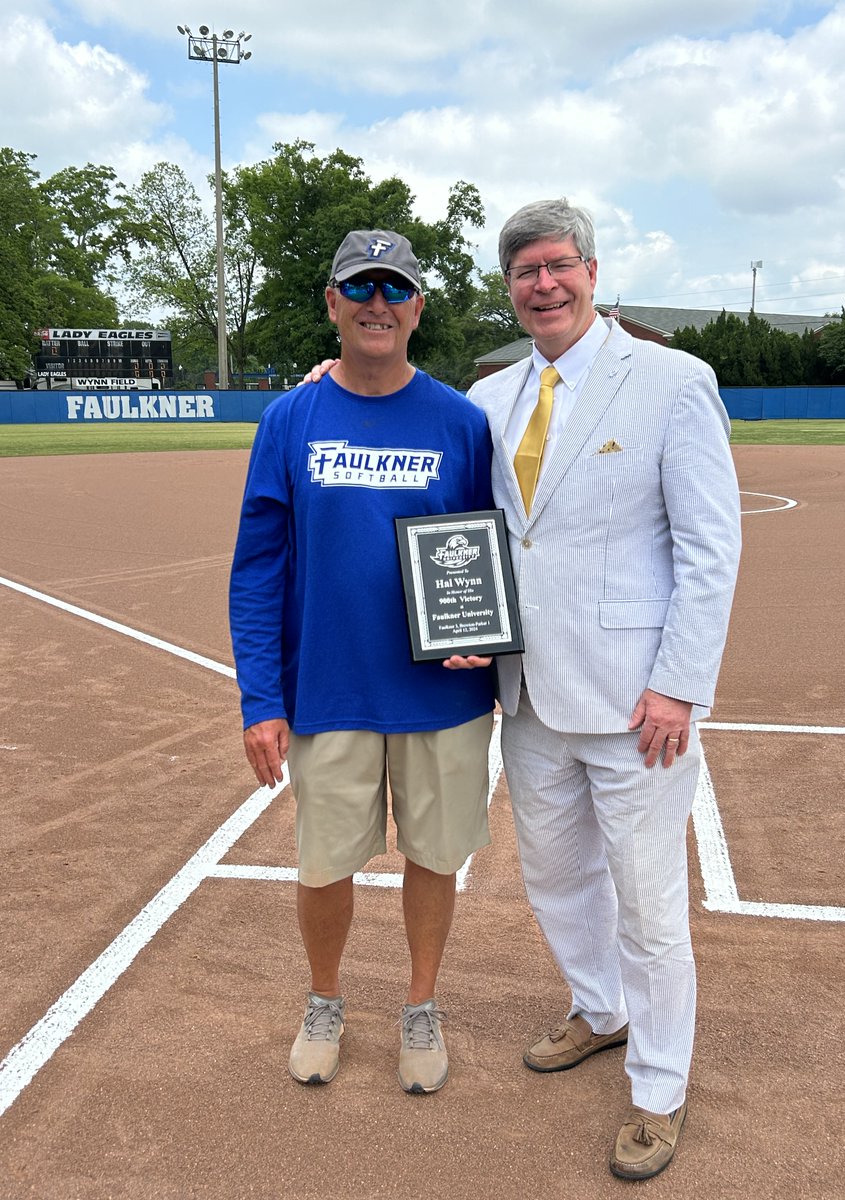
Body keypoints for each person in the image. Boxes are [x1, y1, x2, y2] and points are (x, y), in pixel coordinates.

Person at [459, 198, 743, 1179]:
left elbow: (711, 548)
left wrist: (679, 684)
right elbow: (488, 536)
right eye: (524, 272)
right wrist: (338, 377)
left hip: (637, 703)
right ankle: (602, 1008)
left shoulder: (671, 380)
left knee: (649, 900)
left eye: (556, 266)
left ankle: (659, 1088)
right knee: (554, 876)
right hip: (529, 694)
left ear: (590, 268)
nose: (543, 285)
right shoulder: (489, 396)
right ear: (510, 289)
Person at [229, 229, 496, 1096]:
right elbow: (259, 565)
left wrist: (483, 633)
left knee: (434, 856)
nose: (377, 303)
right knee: (324, 863)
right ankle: (326, 1000)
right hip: (330, 692)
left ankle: (421, 1006)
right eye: (360, 288)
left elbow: (498, 554)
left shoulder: (462, 421)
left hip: (441, 696)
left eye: (395, 288)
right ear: (334, 304)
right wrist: (261, 698)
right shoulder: (291, 417)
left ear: (418, 307)